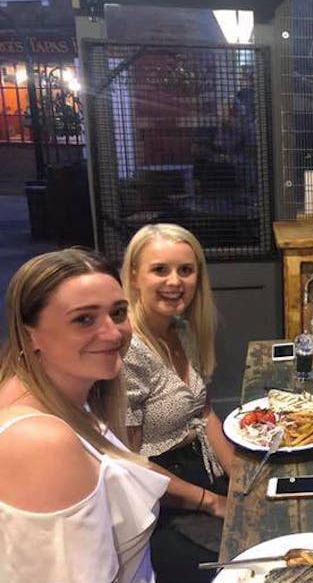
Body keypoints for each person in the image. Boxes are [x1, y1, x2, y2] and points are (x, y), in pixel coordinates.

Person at [0, 248, 168, 583]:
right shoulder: (40, 442)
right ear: (29, 332)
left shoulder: (75, 392)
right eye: (83, 319)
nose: (112, 333)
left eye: (118, 313)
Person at [121, 223, 234, 583]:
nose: (175, 281)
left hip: (206, 472)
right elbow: (131, 464)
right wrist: (212, 502)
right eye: (160, 269)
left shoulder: (182, 330)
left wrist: (242, 482)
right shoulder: (127, 351)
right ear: (134, 276)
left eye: (186, 270)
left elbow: (204, 412)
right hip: (162, 504)